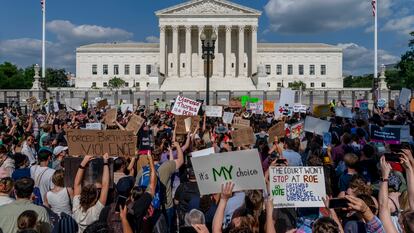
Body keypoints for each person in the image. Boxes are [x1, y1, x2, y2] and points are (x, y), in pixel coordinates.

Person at [72, 154, 110, 233]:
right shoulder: (96, 211)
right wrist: (105, 162)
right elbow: (105, 184)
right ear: (96, 198)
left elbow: (76, 184)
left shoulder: (76, 208)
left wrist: (84, 162)